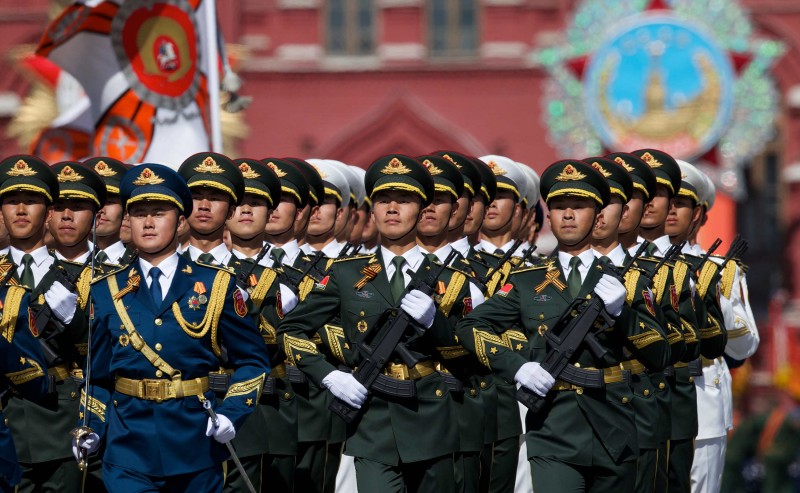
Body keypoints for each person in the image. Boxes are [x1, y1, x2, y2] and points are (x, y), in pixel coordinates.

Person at [457, 159, 654, 492]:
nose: (567, 215)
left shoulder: (628, 279)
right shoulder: (527, 279)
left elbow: (661, 352)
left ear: (598, 214)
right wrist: (518, 368)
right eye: (560, 207)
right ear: (548, 216)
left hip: (615, 421)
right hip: (553, 426)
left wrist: (624, 313)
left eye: (579, 207)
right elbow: (470, 327)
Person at [279, 154, 471, 493]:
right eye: (383, 200)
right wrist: (329, 376)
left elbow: (470, 362)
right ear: (371, 208)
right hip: (371, 418)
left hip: (432, 417)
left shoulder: (451, 279)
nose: (392, 209)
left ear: (423, 208)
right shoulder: (346, 273)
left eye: (405, 200)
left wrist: (435, 323)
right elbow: (290, 330)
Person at [73, 163, 269, 492]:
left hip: (194, 442)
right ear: (127, 221)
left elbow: (252, 361)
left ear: (180, 223)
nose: (148, 222)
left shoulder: (217, 284)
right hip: (128, 447)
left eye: (159, 212)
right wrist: (90, 425)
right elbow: (98, 376)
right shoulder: (104, 290)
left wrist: (232, 415)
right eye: (139, 213)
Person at [0, 155, 94, 493]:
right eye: (11, 201)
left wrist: (75, 321)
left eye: (32, 201)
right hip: (5, 424)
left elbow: (102, 354)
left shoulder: (83, 278)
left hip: (62, 419)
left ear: (49, 212)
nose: (21, 210)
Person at [223, 158, 297, 492]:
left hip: (276, 403)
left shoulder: (295, 275)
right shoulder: (197, 270)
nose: (246, 211)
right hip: (217, 399)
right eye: (238, 204)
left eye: (257, 203)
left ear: (270, 212)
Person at [177, 152, 245, 266]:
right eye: (196, 197)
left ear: (231, 212)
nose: (204, 206)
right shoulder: (166, 273)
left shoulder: (256, 278)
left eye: (214, 198)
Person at [83, 157, 132, 266]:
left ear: (125, 210)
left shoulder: (141, 266)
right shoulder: (56, 263)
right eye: (94, 202)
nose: (100, 210)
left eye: (109, 202)